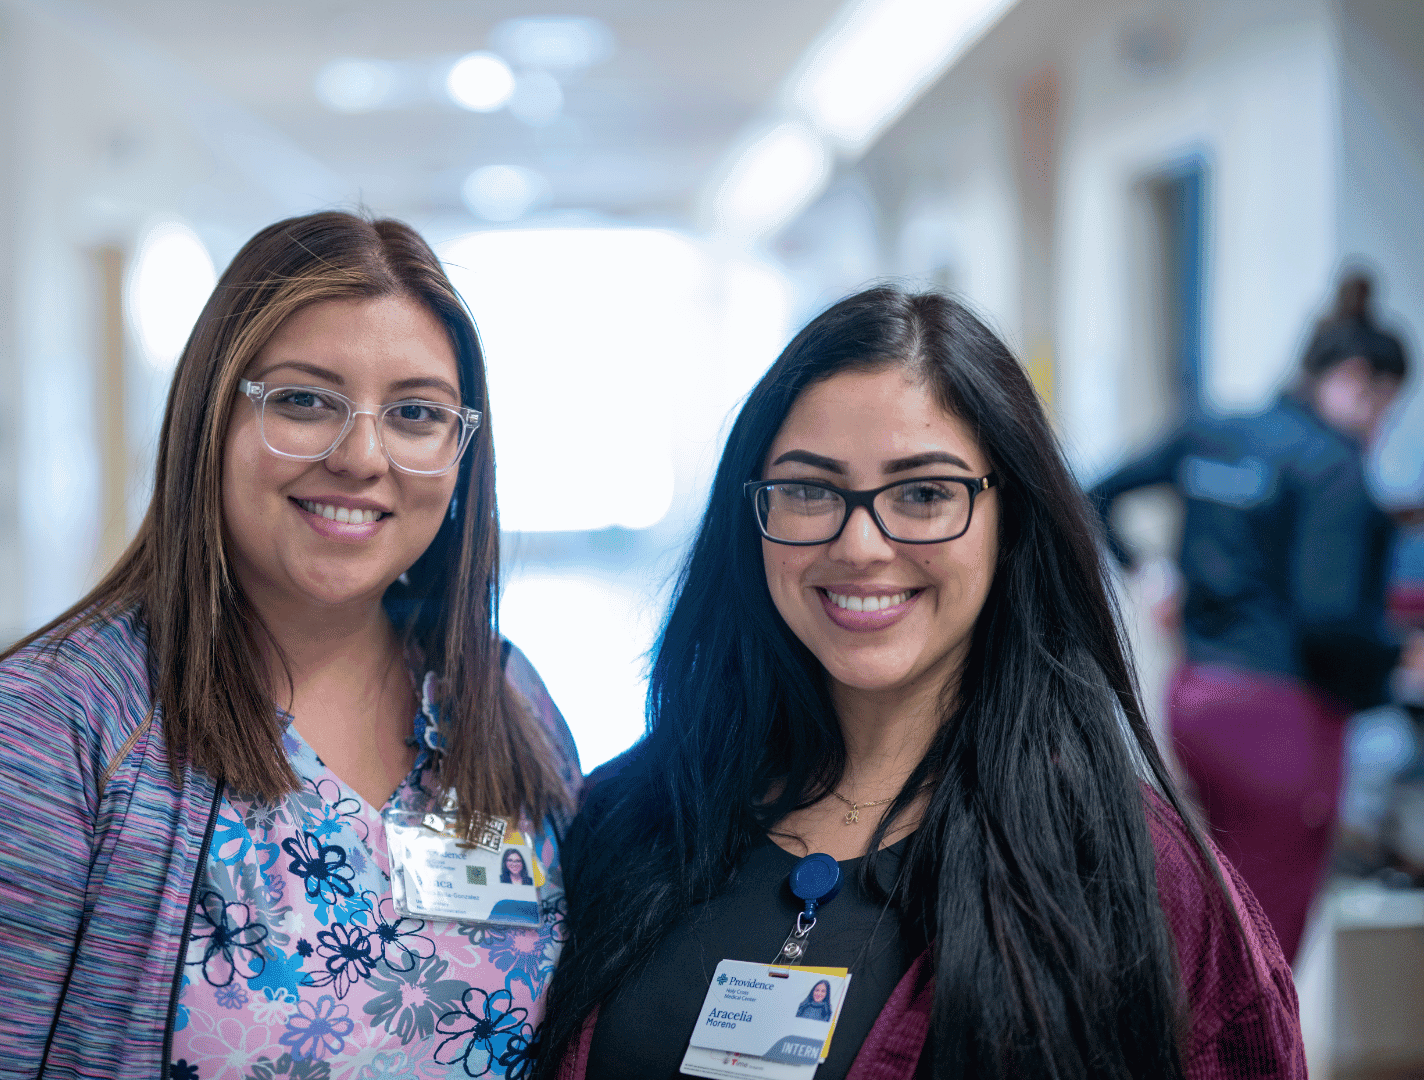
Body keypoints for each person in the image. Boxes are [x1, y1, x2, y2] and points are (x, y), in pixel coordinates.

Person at [0, 212, 580, 1079]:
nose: (361, 457)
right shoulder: (44, 736)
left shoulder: (501, 697)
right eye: (304, 401)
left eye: (416, 413)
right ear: (210, 419)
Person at [537, 288, 1301, 1080]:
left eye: (925, 493)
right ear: (750, 515)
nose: (861, 545)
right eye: (808, 489)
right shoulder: (625, 820)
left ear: (1012, 520)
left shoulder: (1136, 877)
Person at [1089, 271, 1413, 960]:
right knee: (1262, 952)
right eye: (1385, 408)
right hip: (1281, 728)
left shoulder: (1214, 431)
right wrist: (1398, 661)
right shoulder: (1333, 464)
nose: (1380, 429)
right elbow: (1328, 620)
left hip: (1194, 706)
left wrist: (1147, 569)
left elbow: (1096, 493)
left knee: (1209, 925)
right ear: (1357, 381)